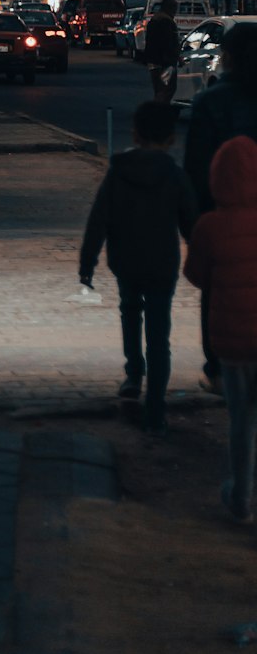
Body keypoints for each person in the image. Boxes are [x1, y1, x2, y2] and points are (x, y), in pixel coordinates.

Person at [79, 99, 197, 434]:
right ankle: (156, 409)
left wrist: (87, 265)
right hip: (162, 264)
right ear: (171, 138)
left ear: (135, 133)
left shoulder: (119, 171)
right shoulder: (174, 175)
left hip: (126, 260)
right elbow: (192, 224)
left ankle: (133, 375)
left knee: (130, 311)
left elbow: (98, 220)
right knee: (160, 335)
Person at [183, 136, 257, 524]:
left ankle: (242, 497)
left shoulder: (210, 225)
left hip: (231, 339)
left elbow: (195, 276)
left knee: (242, 421)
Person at [183, 22, 257, 394]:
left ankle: (218, 367)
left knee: (220, 291)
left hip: (221, 215)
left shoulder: (209, 102)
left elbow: (195, 168)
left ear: (225, 57)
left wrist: (195, 225)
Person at [143, 0, 180, 104]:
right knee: (167, 88)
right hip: (165, 63)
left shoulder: (154, 20)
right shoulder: (167, 22)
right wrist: (175, 57)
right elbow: (168, 43)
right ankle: (160, 111)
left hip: (154, 61)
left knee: (159, 88)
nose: (175, 12)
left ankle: (158, 110)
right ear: (170, 8)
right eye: (174, 9)